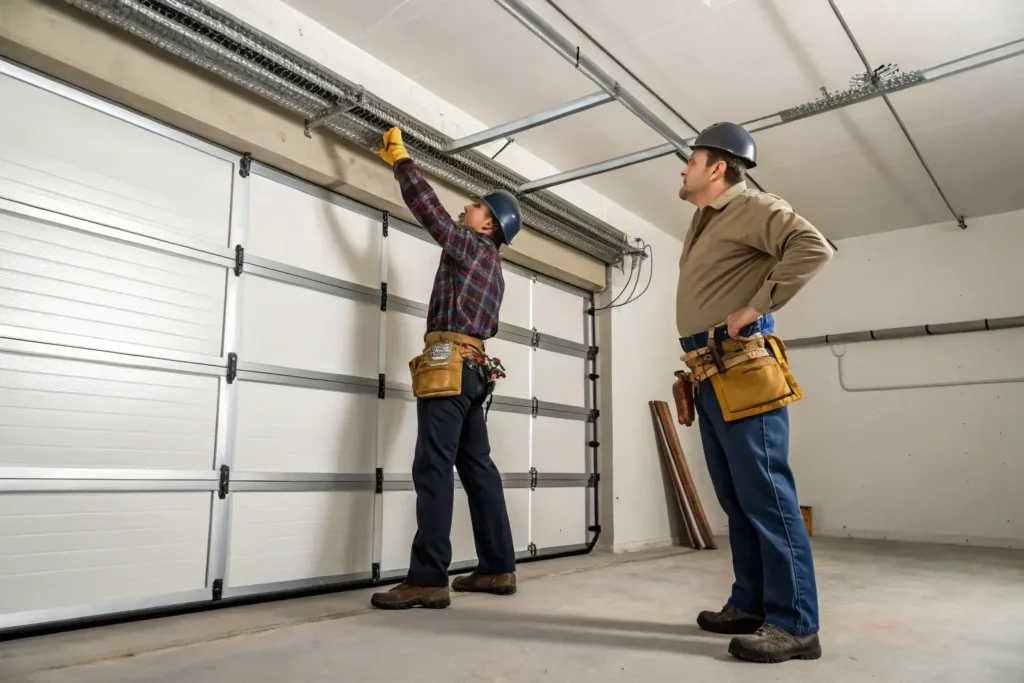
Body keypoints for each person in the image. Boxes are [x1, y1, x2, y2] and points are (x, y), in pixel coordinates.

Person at [674, 122, 834, 663]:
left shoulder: (752, 206)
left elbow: (813, 246)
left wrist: (760, 304)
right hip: (709, 371)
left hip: (742, 366)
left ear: (717, 167)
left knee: (767, 496)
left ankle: (795, 625)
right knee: (738, 499)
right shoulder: (705, 219)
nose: (683, 168)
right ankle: (751, 604)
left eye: (691, 160)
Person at [370, 126, 523, 610]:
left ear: (487, 226)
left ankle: (428, 578)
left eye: (475, 206)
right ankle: (497, 568)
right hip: (474, 371)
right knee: (478, 468)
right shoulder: (494, 267)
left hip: (450, 367)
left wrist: (402, 161)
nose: (466, 207)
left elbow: (431, 213)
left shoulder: (472, 248)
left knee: (432, 467)